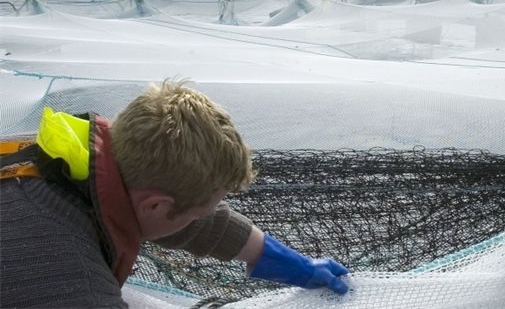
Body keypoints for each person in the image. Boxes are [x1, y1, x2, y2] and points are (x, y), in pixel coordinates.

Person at [0, 79, 349, 307]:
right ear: (155, 204)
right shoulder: (70, 281)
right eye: (196, 212)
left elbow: (192, 222)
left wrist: (278, 258)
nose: (201, 219)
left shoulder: (69, 161)